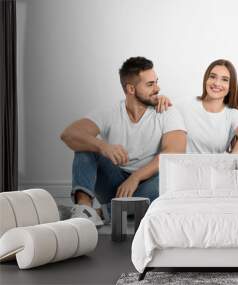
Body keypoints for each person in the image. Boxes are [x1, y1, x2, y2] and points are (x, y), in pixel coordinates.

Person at [60, 57, 187, 226]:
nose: (157, 88)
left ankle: (101, 213)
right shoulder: (110, 112)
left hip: (146, 185)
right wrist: (103, 146)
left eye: (156, 82)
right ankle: (84, 210)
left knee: (169, 177)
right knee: (85, 147)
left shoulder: (166, 111)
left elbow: (174, 152)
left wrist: (135, 177)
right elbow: (69, 134)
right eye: (150, 84)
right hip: (115, 185)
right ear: (131, 89)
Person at [177, 59, 238, 153]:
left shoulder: (233, 114)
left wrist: (230, 162)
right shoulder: (185, 104)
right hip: (184, 167)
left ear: (230, 87)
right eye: (213, 77)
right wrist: (161, 99)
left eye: (224, 80)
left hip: (215, 168)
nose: (217, 83)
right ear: (206, 79)